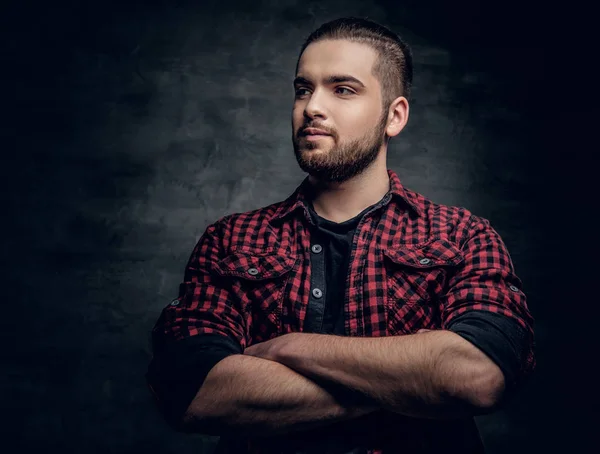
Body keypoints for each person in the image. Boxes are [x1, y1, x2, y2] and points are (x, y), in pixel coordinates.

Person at [145, 16, 535, 454]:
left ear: (394, 116)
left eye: (343, 89)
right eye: (302, 89)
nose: (312, 106)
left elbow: (477, 376)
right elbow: (193, 390)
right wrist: (412, 383)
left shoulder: (464, 236)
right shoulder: (232, 241)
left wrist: (288, 348)